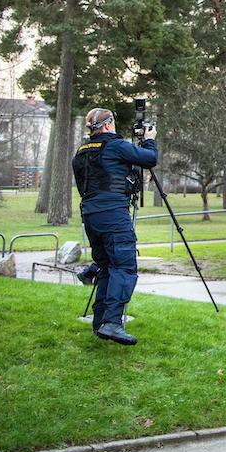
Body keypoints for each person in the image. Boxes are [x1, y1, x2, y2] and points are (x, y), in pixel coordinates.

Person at [70, 107, 158, 346]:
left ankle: (100, 324)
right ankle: (112, 322)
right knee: (124, 266)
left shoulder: (80, 152)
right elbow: (149, 159)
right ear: (108, 125)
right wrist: (149, 141)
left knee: (106, 267)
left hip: (90, 215)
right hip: (113, 214)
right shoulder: (116, 146)